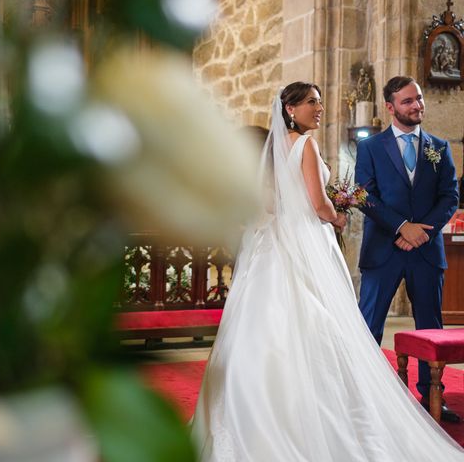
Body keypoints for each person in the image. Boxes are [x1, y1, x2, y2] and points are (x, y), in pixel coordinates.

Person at [190, 82, 464, 461]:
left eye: (320, 102)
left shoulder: (273, 148)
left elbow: (270, 202)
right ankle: (326, 409)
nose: (319, 109)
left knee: (270, 324)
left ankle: (258, 411)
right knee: (328, 324)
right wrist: (336, 215)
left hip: (279, 242)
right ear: (290, 109)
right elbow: (319, 205)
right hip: (309, 241)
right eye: (312, 103)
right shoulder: (307, 145)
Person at [355, 76, 460, 422]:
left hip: (426, 253)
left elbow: (450, 197)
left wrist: (422, 234)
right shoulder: (371, 148)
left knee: (430, 326)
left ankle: (431, 397)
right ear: (390, 107)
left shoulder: (439, 147)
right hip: (383, 250)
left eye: (419, 99)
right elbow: (363, 195)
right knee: (369, 326)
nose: (417, 106)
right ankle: (363, 396)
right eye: (408, 101)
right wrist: (402, 227)